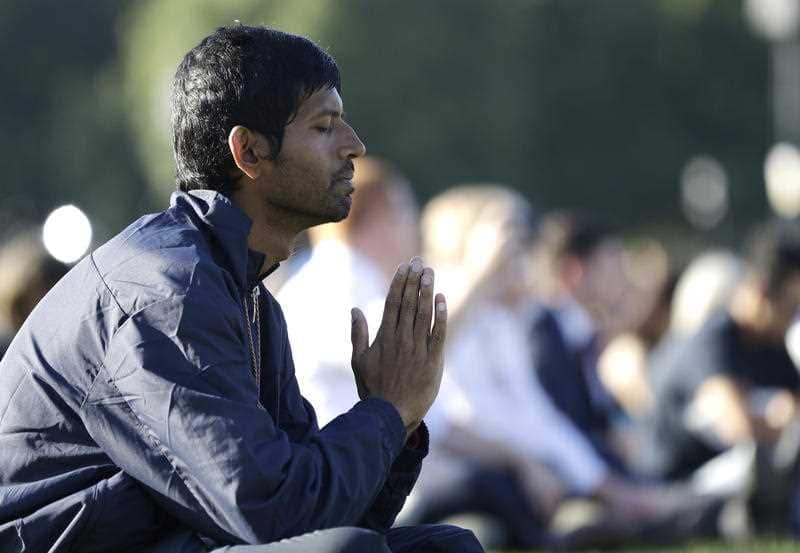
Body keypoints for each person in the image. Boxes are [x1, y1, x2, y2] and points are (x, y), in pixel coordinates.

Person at [0, 25, 483, 553]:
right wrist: (387, 411)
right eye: (325, 127)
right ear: (249, 152)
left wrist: (399, 419)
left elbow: (323, 509)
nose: (355, 147)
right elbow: (268, 509)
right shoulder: (167, 294)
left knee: (443, 547)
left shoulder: (244, 291)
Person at [645, 221, 800, 533]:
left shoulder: (772, 346)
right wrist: (780, 420)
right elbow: (736, 427)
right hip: (677, 487)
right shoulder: (714, 337)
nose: (794, 313)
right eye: (791, 302)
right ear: (760, 292)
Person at [278, 156, 420, 426]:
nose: (414, 228)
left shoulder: (341, 276)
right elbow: (403, 354)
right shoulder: (337, 280)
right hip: (342, 455)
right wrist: (481, 279)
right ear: (378, 218)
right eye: (404, 213)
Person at [528, 212, 630, 472]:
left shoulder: (587, 336)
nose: (625, 278)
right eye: (614, 265)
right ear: (574, 271)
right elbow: (565, 428)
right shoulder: (542, 337)